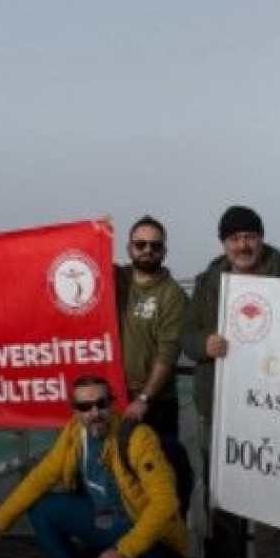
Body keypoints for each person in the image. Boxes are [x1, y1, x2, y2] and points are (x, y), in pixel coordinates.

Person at [180, 205, 280, 558]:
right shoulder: (207, 282)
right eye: (234, 238)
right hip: (219, 404)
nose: (243, 244)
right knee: (221, 487)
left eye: (250, 236)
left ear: (261, 238)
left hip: (274, 406)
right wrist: (204, 344)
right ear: (224, 243)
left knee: (272, 488)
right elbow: (186, 336)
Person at [0, 374, 190, 558]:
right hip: (107, 522)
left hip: (146, 531)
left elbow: (166, 503)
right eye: (84, 406)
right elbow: (40, 477)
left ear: (112, 402)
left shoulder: (138, 438)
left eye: (101, 403)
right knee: (42, 507)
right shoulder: (74, 433)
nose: (95, 412)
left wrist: (122, 552)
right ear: (75, 410)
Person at [114, 216, 193, 514]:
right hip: (116, 398)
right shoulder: (117, 280)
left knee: (162, 477)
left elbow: (167, 354)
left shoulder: (172, 294)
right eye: (140, 244)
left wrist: (145, 397)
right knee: (122, 476)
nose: (147, 250)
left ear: (164, 251)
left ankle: (170, 544)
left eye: (154, 245)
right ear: (129, 248)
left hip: (154, 403)